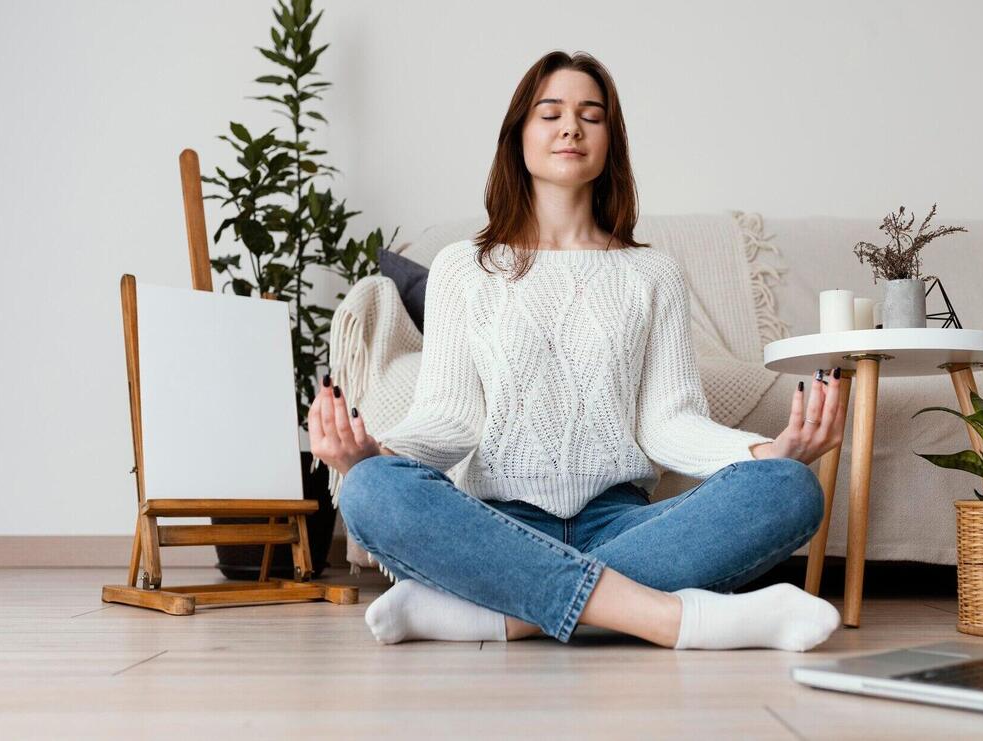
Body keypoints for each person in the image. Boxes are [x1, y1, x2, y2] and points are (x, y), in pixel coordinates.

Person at [308, 50, 846, 650]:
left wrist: (765, 451)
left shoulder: (652, 273)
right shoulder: (464, 268)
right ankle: (672, 619)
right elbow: (451, 417)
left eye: (591, 115)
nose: (571, 127)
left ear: (610, 141)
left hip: (624, 523)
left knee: (789, 487)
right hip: (495, 525)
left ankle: (494, 614)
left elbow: (668, 424)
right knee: (369, 491)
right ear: (518, 136)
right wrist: (377, 453)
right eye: (551, 113)